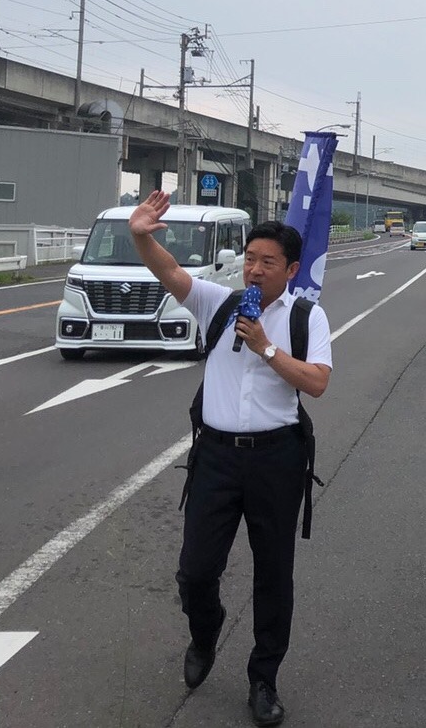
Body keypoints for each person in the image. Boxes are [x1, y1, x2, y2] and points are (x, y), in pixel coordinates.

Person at [129, 191, 332, 728]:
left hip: (277, 459)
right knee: (195, 571)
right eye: (249, 260)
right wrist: (141, 234)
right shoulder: (218, 303)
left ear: (290, 269)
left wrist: (266, 346)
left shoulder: (308, 316)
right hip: (217, 457)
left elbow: (317, 383)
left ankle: (263, 679)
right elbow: (170, 272)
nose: (255, 270)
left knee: (273, 575)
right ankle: (206, 628)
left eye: (268, 263)